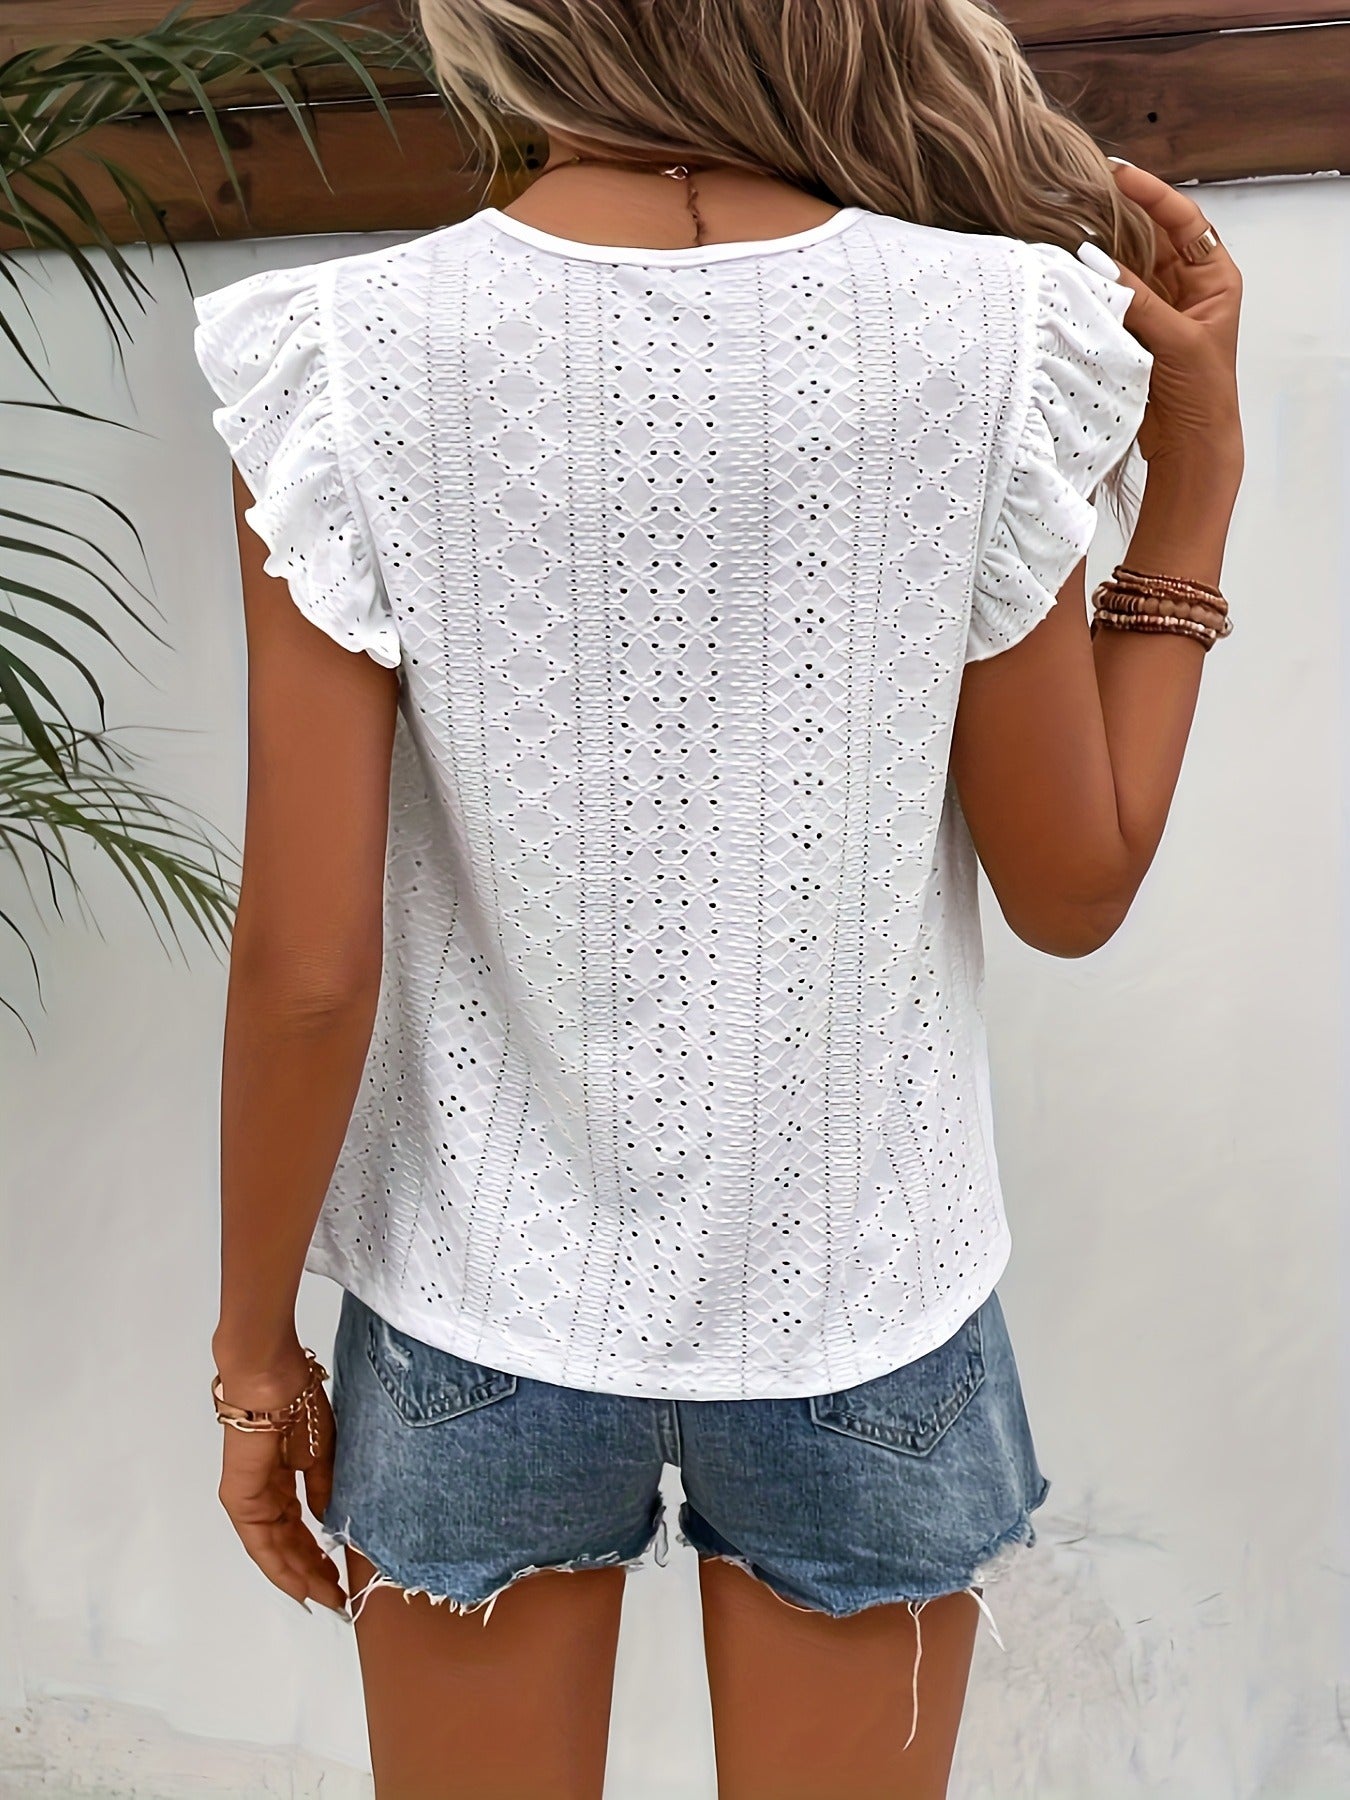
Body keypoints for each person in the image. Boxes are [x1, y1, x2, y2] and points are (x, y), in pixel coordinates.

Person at [191, 1, 1242, 1793]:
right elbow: (1072, 891)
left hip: (475, 1309)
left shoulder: (345, 359)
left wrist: (252, 1360)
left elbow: (306, 965)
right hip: (866, 1302)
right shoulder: (992, 334)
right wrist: (1195, 488)